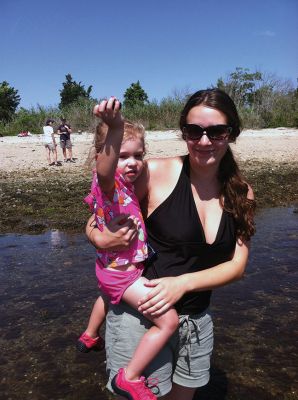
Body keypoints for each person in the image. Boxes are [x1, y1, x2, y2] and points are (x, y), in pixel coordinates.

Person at [87, 89, 256, 399]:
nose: (205, 141)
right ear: (184, 133)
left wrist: (182, 283)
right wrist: (96, 236)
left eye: (217, 131)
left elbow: (237, 266)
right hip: (140, 316)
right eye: (195, 131)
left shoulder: (241, 192)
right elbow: (105, 205)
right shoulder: (152, 172)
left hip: (197, 322)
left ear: (232, 133)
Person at [80, 98, 179, 400]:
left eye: (138, 155)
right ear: (103, 157)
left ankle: (89, 335)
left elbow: (93, 217)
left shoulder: (121, 188)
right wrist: (116, 127)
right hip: (122, 275)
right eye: (123, 156)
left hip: (111, 271)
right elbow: (106, 170)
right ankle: (130, 376)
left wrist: (95, 234)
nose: (132, 162)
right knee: (169, 321)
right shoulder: (108, 185)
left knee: (105, 296)